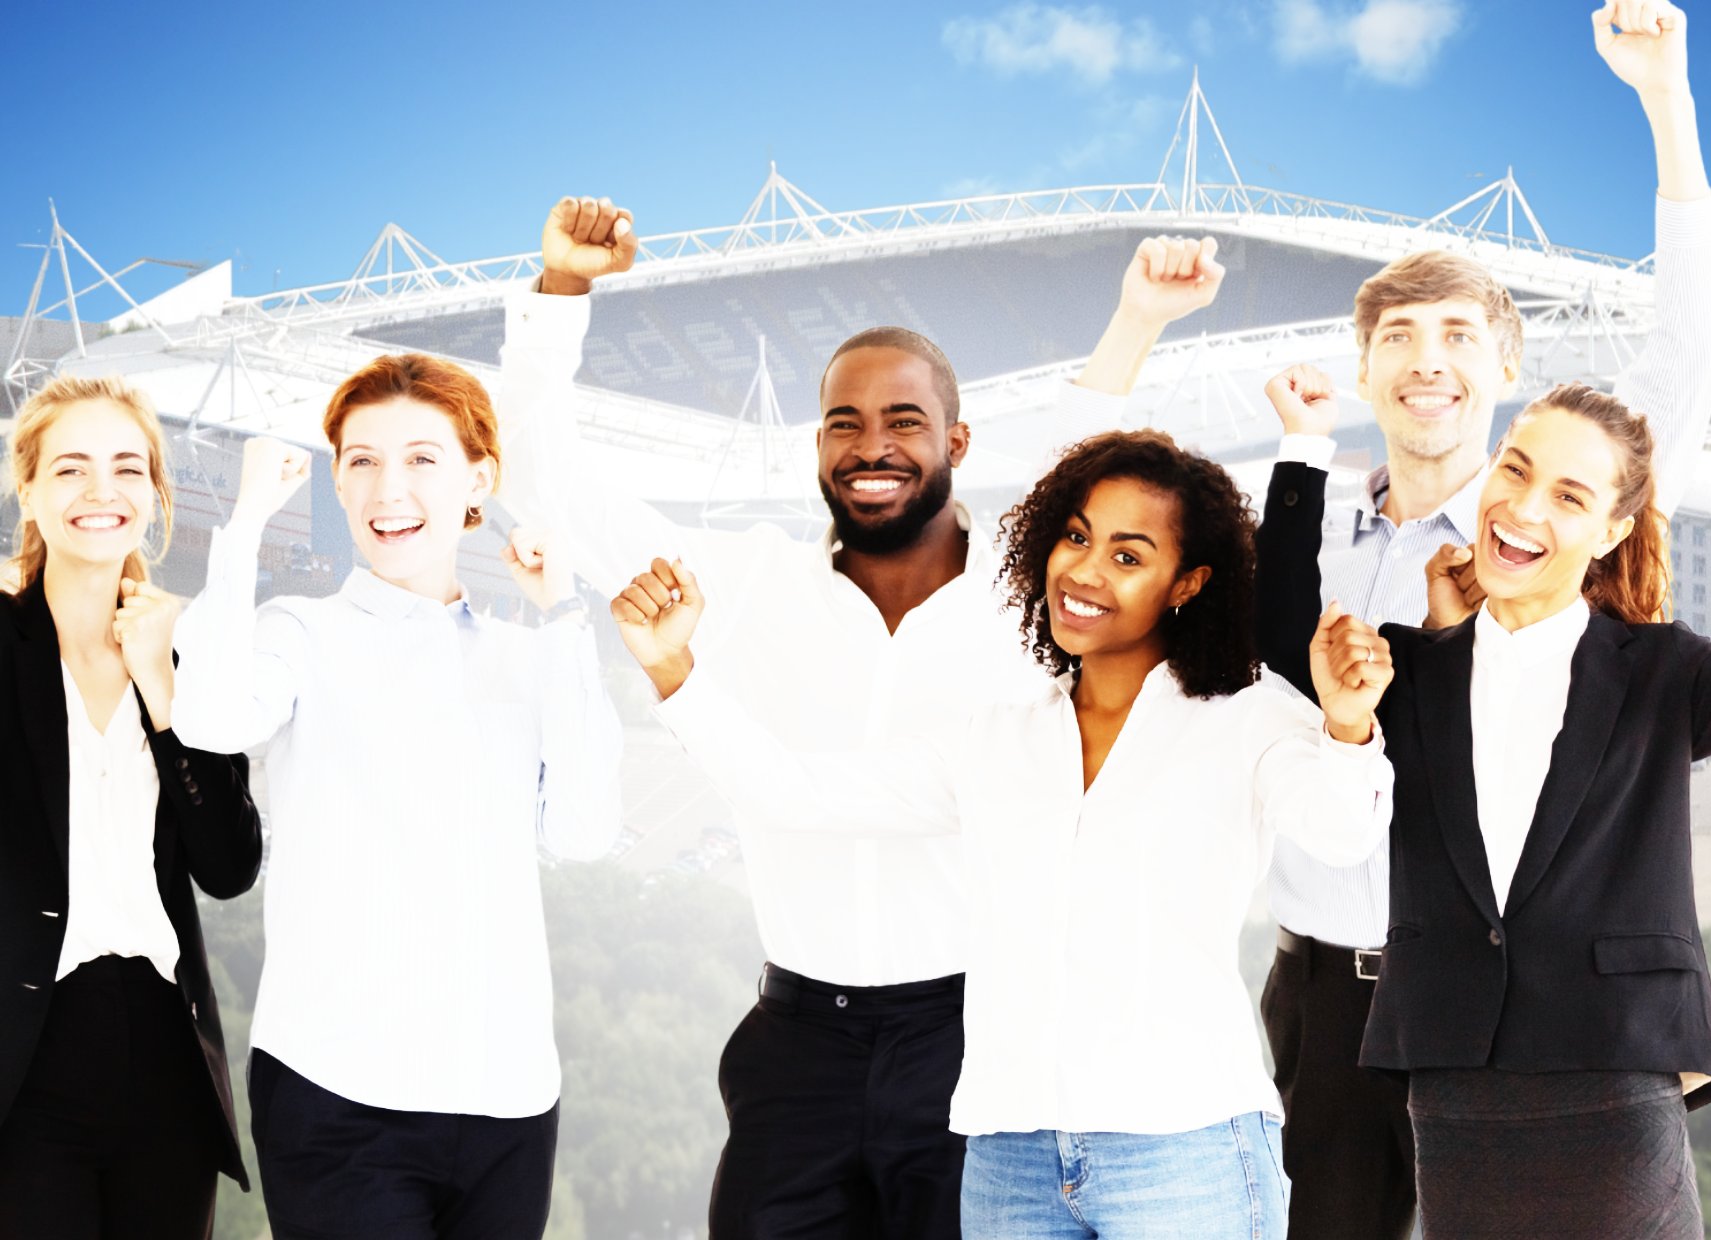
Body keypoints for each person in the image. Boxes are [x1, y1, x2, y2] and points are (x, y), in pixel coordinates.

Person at [494, 197, 1223, 1237]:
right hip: (798, 1046)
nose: (869, 446)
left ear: (958, 440)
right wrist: (562, 288)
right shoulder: (741, 584)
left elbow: (1086, 452)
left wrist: (1136, 320)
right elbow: (538, 476)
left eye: (902, 421)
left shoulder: (1033, 602)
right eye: (843, 422)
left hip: (974, 1037)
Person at [611, 430, 1397, 1238]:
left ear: (1188, 582)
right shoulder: (999, 735)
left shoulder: (1247, 713)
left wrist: (1345, 720)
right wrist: (675, 671)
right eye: (1077, 537)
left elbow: (1341, 833)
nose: (1084, 571)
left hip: (1184, 1147)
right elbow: (798, 796)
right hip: (1010, 1155)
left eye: (1129, 557)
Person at [1248, 5, 1711, 1234]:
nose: (1427, 360)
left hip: (1537, 1034)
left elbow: (1687, 344)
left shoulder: (1559, 519)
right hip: (1332, 1010)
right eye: (1397, 338)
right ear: (1361, 369)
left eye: (1459, 335)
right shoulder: (1309, 554)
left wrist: (1666, 104)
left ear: (1505, 363)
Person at [169, 353, 624, 1240]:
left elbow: (585, 829)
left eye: (422, 458)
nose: (389, 488)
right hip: (338, 1095)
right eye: (362, 460)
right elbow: (212, 718)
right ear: (337, 482)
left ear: (477, 480)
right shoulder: (297, 632)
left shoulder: (530, 657)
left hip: (508, 1098)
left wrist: (564, 612)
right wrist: (248, 518)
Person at [1271, 380, 1711, 1235]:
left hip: (1612, 1078)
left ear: (1613, 531)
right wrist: (1345, 723)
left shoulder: (1666, 671)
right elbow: (1340, 834)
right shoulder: (1402, 671)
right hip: (1454, 1093)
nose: (1523, 507)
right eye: (1514, 469)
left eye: (1569, 496)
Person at [0, 374, 262, 1238]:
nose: (101, 491)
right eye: (70, 469)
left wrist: (164, 694)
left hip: (166, 1056)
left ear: (154, 494)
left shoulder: (189, 655)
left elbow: (229, 868)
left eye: (126, 467)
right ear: (27, 490)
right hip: (24, 1056)